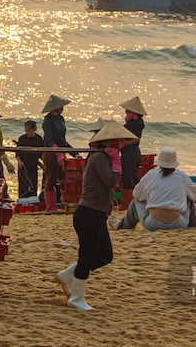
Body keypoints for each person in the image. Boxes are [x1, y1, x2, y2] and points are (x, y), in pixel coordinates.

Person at [55, 121, 136, 311]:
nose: (120, 145)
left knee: (105, 255)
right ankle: (76, 298)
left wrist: (114, 161)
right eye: (118, 142)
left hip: (97, 213)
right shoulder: (99, 157)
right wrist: (116, 164)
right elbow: (111, 181)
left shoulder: (103, 156)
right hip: (89, 213)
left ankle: (68, 274)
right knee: (87, 256)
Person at [113, 147, 196, 231]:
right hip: (179, 223)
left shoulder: (151, 174)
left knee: (136, 201)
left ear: (160, 162)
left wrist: (151, 197)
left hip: (152, 224)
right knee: (189, 197)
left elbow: (136, 194)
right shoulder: (181, 175)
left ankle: (122, 226)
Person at [41, 94, 74, 214]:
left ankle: (64, 203)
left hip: (61, 151)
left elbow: (62, 139)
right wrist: (57, 151)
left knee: (64, 178)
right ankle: (50, 207)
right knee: (51, 179)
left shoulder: (61, 119)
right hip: (50, 153)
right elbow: (49, 140)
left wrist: (73, 152)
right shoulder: (47, 122)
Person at [119, 96, 147, 190]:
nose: (126, 113)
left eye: (127, 111)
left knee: (128, 177)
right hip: (131, 152)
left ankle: (130, 197)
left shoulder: (135, 123)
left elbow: (136, 139)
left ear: (132, 112)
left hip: (130, 152)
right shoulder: (135, 121)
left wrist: (124, 143)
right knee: (130, 176)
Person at [15, 120, 44, 199]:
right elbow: (17, 153)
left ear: (33, 129)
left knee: (33, 185)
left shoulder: (39, 139)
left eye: (28, 130)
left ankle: (33, 201)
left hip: (33, 165)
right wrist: (19, 162)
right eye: (25, 130)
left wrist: (43, 164)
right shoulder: (22, 138)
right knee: (23, 186)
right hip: (23, 165)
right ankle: (21, 201)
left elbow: (41, 154)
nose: (27, 132)